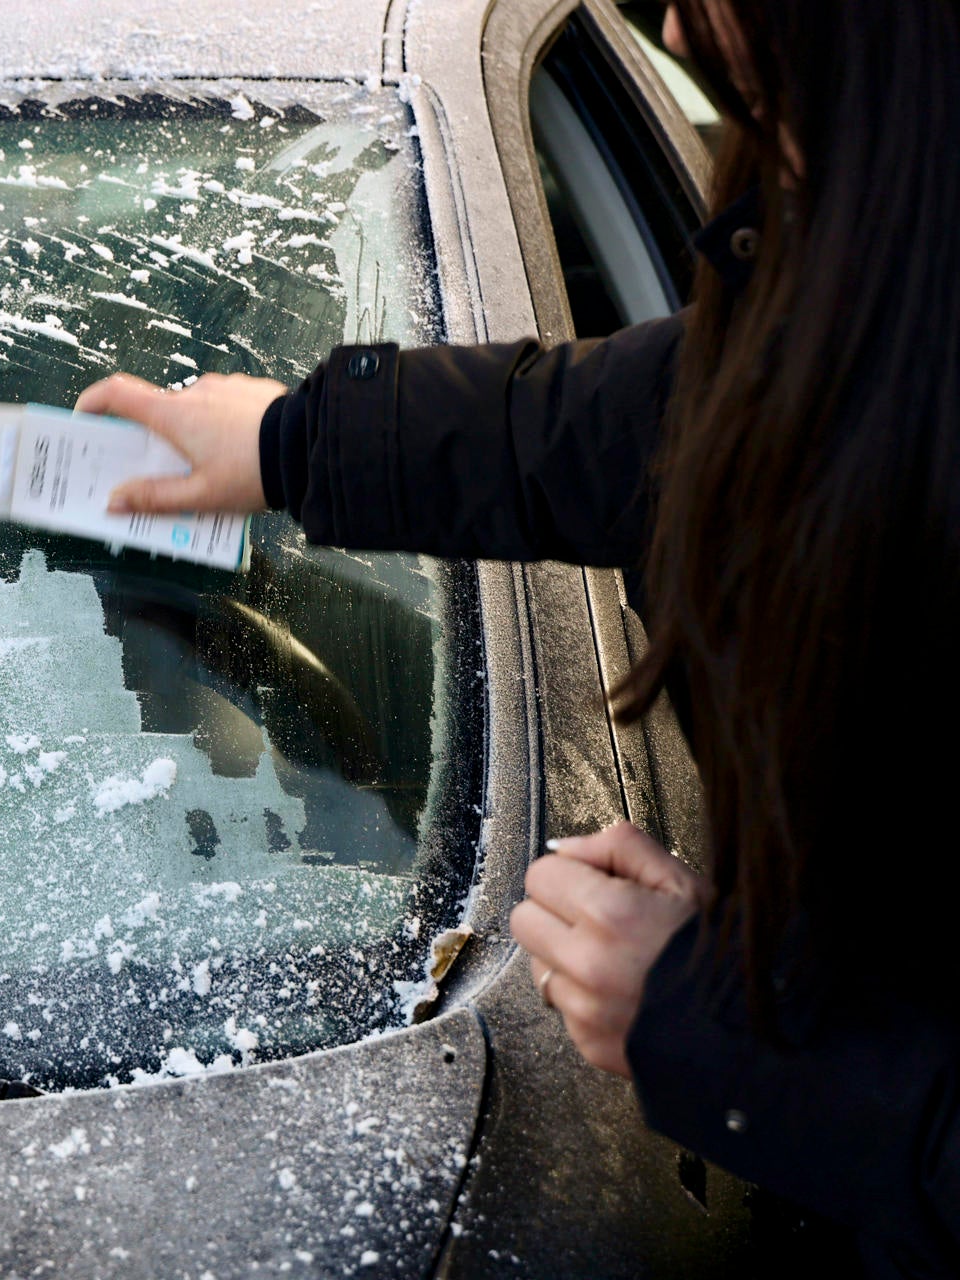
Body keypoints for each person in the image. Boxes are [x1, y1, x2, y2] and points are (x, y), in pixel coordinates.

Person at [75, 0, 960, 1273]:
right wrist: (298, 442)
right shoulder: (877, 266)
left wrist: (727, 1031)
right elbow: (654, 418)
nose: (677, 21)